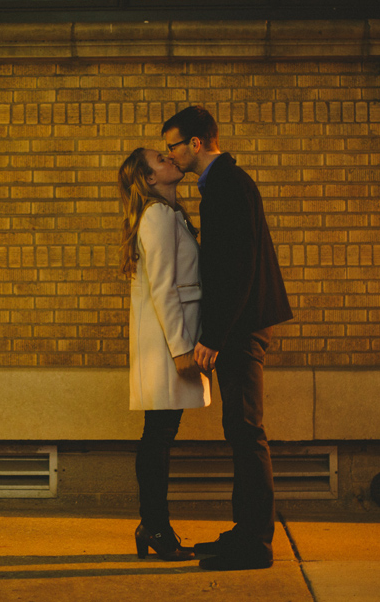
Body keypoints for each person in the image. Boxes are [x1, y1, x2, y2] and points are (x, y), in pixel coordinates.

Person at [162, 105, 293, 571]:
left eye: (173, 146)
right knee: (240, 430)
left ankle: (256, 542)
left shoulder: (225, 186)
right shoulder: (223, 184)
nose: (170, 155)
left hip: (241, 328)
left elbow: (234, 268)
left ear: (196, 143)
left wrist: (213, 335)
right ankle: (246, 531)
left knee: (246, 430)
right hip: (242, 324)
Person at [118, 147, 211, 562]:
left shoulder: (172, 214)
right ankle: (154, 526)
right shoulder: (156, 216)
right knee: (157, 437)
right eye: (159, 158)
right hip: (166, 345)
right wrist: (181, 350)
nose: (169, 158)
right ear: (149, 179)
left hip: (170, 341)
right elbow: (163, 288)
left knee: (159, 435)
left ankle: (152, 525)